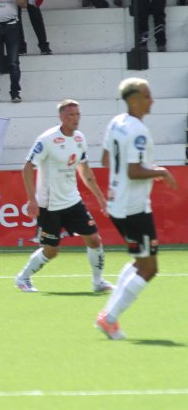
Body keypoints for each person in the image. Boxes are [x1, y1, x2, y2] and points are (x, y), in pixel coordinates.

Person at [96, 78, 178, 340]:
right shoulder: (138, 131)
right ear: (133, 100)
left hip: (118, 204)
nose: (151, 100)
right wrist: (160, 171)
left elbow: (106, 159)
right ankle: (109, 319)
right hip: (134, 208)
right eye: (146, 96)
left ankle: (107, 316)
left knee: (139, 261)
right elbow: (133, 171)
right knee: (149, 268)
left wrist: (132, 174)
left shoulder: (116, 122)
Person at [14, 99, 112, 293]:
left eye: (77, 115)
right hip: (49, 205)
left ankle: (98, 282)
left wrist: (101, 199)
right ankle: (23, 278)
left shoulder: (79, 138)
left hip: (73, 200)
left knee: (94, 239)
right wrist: (32, 199)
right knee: (51, 251)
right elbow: (27, 168)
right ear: (61, 117)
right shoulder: (47, 139)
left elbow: (85, 170)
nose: (75, 119)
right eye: (70, 115)